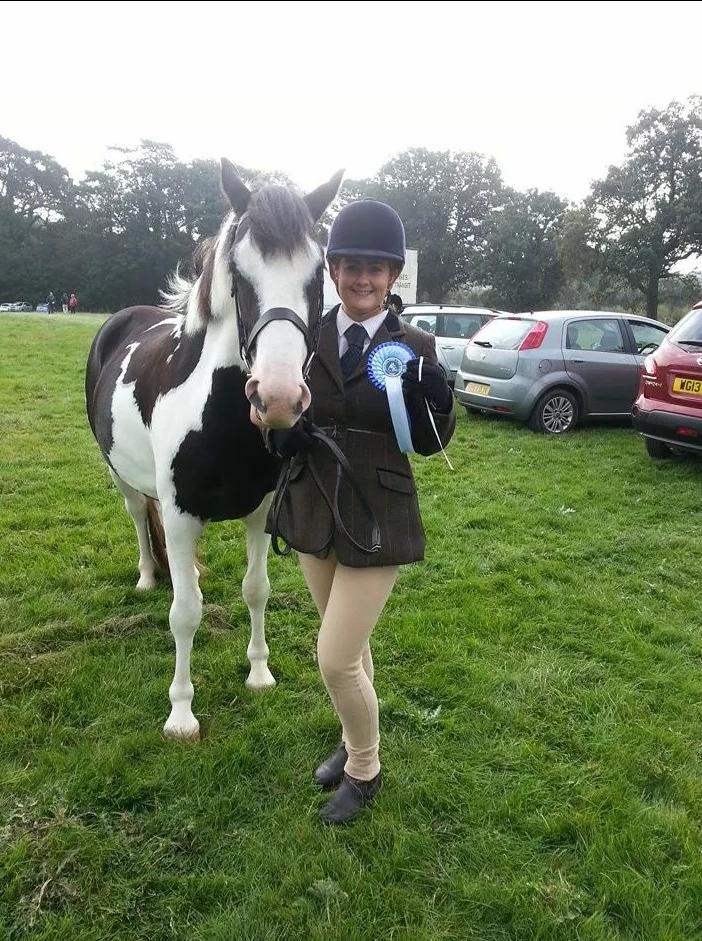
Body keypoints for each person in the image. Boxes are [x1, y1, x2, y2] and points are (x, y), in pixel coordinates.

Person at [264, 199, 456, 825]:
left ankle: (365, 771)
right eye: (350, 266)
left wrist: (439, 400)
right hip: (314, 503)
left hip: (378, 511)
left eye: (376, 268)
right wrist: (282, 435)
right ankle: (352, 743)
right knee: (350, 645)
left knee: (335, 657)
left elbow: (427, 442)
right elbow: (283, 419)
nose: (362, 279)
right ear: (334, 271)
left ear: (393, 276)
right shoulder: (307, 336)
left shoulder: (414, 345)